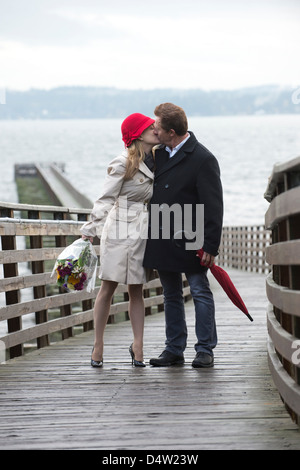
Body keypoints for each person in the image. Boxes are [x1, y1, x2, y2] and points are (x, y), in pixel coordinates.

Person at [143, 103, 223, 368]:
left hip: (192, 238)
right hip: (163, 236)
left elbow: (213, 205)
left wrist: (211, 244)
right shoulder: (157, 154)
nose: (153, 129)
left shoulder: (203, 158)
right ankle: (174, 349)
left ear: (172, 132)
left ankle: (204, 350)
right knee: (171, 294)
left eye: (157, 126)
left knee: (200, 291)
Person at [80, 113, 160, 368]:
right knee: (109, 286)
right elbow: (105, 198)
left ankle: (138, 346)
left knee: (137, 287)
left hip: (142, 230)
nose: (156, 129)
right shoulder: (122, 162)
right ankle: (98, 344)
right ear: (138, 133)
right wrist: (90, 228)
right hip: (117, 229)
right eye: (150, 127)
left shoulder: (159, 160)